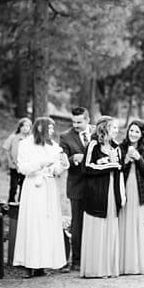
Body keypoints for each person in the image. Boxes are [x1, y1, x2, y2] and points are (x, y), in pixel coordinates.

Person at [14, 117, 69, 278]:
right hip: (33, 186)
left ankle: (43, 264)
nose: (52, 132)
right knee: (32, 223)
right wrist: (41, 163)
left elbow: (56, 171)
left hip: (49, 187)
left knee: (47, 225)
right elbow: (22, 168)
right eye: (49, 129)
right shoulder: (25, 144)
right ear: (40, 128)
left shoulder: (53, 146)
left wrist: (63, 165)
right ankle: (28, 263)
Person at [80, 116, 124, 278]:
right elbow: (87, 168)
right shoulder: (93, 145)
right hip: (96, 192)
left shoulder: (116, 146)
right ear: (105, 128)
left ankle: (109, 267)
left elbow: (120, 168)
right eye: (114, 128)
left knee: (110, 227)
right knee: (97, 228)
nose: (117, 131)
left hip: (113, 190)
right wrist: (110, 165)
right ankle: (95, 268)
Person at [57, 107, 92, 271]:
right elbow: (61, 161)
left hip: (97, 186)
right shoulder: (65, 137)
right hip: (77, 185)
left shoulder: (97, 133)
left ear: (87, 120)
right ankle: (76, 260)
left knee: (95, 222)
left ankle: (94, 256)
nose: (76, 125)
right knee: (77, 224)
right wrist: (72, 159)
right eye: (74, 122)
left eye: (79, 122)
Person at [118, 119, 144, 275]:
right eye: (131, 130)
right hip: (123, 189)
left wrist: (139, 158)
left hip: (139, 191)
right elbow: (117, 169)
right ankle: (122, 263)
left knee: (137, 225)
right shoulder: (120, 147)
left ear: (141, 134)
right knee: (123, 224)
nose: (133, 134)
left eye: (137, 131)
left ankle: (137, 263)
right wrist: (125, 161)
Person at [2, 118, 32, 204]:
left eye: (27, 126)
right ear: (19, 127)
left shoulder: (30, 139)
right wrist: (10, 162)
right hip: (14, 166)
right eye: (23, 126)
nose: (25, 128)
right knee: (13, 186)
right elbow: (6, 149)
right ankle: (10, 202)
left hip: (25, 167)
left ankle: (21, 203)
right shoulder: (13, 137)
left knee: (23, 186)